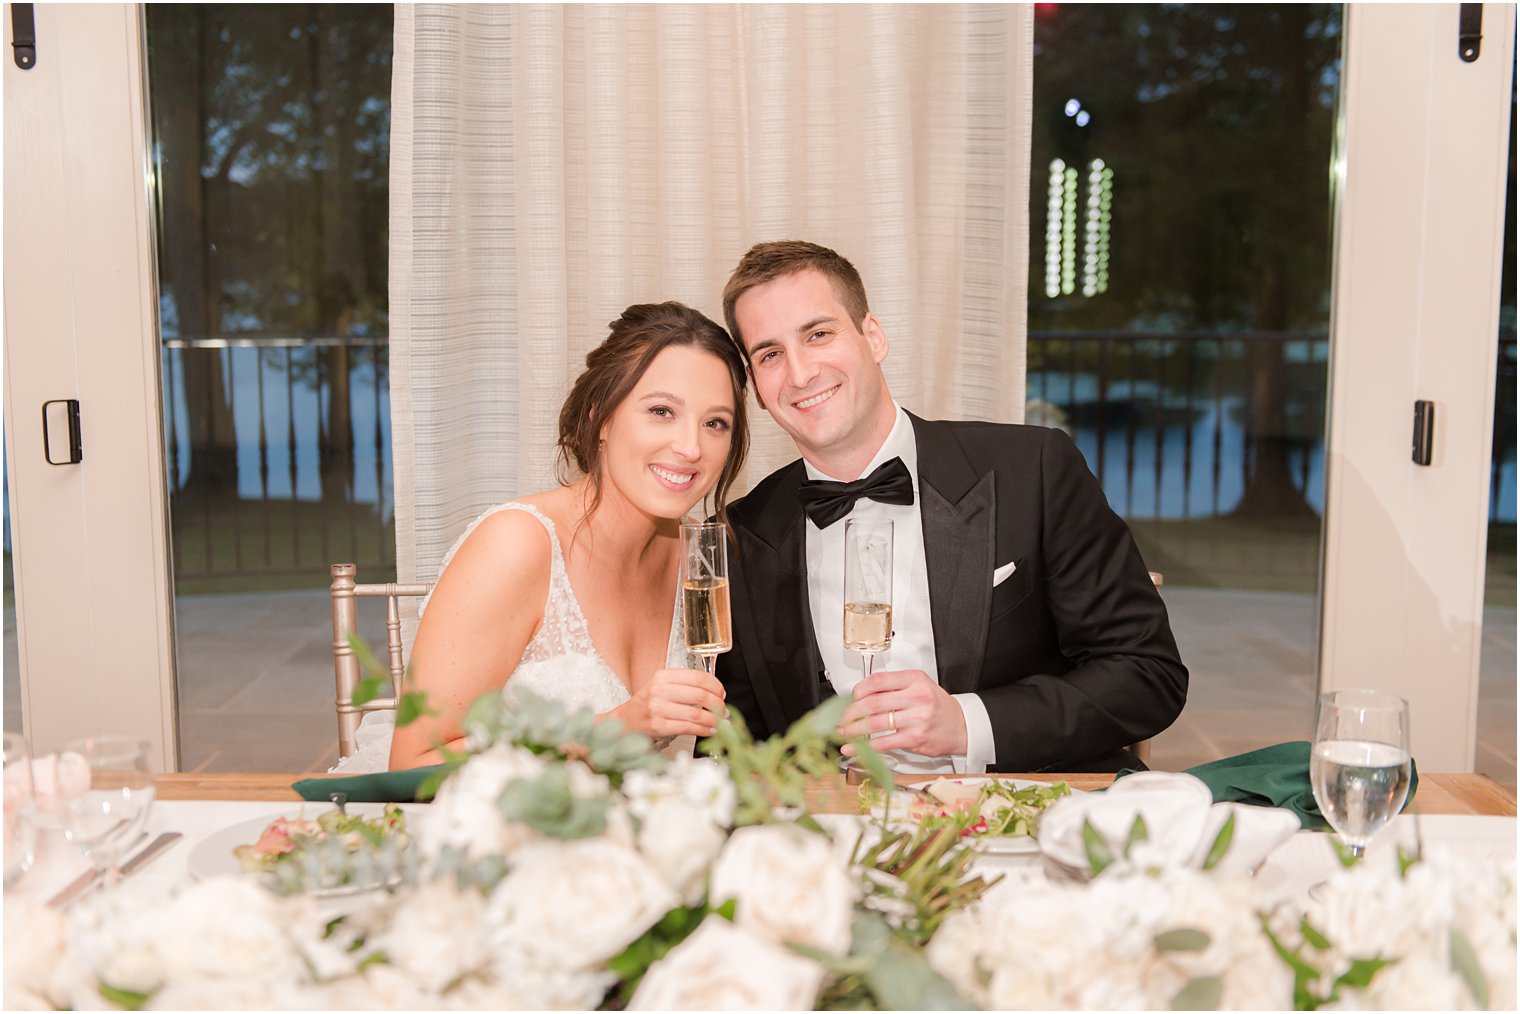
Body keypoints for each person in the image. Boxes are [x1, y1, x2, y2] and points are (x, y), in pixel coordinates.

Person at [715, 241, 1186, 773]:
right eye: (770, 354)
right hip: (835, 834)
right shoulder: (740, 536)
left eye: (818, 334)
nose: (799, 374)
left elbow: (1148, 675)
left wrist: (969, 724)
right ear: (754, 386)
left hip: (1032, 816)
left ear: (873, 336)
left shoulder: (1032, 469)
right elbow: (740, 746)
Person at [334, 302, 747, 773]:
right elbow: (412, 766)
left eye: (715, 423)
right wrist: (617, 728)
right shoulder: (516, 545)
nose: (691, 447)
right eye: (660, 411)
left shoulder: (701, 558)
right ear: (601, 418)